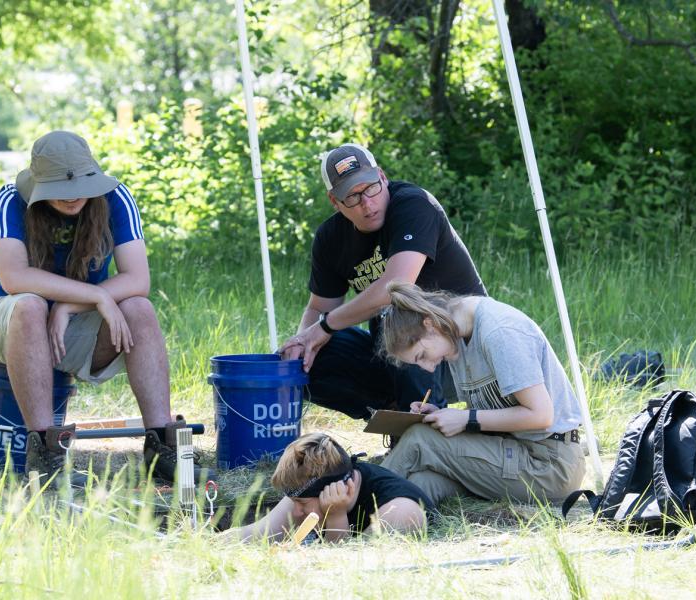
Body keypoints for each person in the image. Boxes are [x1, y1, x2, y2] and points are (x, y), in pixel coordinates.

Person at [0, 130, 186, 482]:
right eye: (60, 190)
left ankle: (162, 448)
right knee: (30, 306)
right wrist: (96, 295)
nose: (74, 197)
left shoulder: (116, 197)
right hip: (5, 322)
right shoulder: (9, 199)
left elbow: (137, 279)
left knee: (140, 309)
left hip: (72, 326)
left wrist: (68, 306)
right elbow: (13, 279)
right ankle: (45, 454)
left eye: (82, 185)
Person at [279, 143, 485, 420]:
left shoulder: (414, 204)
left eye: (370, 188)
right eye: (352, 197)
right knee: (306, 362)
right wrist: (304, 343)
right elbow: (318, 308)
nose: (367, 203)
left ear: (383, 177)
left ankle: (426, 437)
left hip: (464, 350)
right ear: (334, 201)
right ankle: (398, 416)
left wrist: (325, 326)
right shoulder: (330, 238)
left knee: (402, 313)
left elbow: (396, 285)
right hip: (398, 353)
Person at [377, 282, 587, 504]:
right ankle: (371, 525)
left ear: (430, 325)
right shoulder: (453, 337)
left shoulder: (499, 332)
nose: (429, 368)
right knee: (422, 481)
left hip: (549, 464)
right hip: (509, 452)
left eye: (421, 356)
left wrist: (467, 419)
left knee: (420, 439)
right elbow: (494, 411)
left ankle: (358, 505)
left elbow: (541, 416)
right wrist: (442, 415)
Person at [224, 433, 431, 542]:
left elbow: (348, 569)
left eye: (301, 503)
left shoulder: (401, 512)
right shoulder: (308, 490)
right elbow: (255, 535)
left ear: (338, 489)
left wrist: (336, 517)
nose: (296, 511)